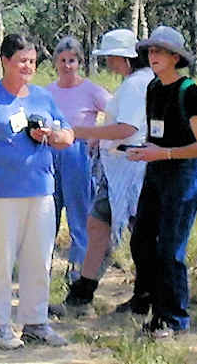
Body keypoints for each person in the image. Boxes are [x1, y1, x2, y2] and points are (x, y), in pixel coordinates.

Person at [0, 34, 73, 349]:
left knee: (38, 260)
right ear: (5, 61)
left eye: (32, 61)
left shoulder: (42, 97)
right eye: (22, 60)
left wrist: (54, 135)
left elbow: (67, 135)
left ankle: (35, 322)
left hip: (40, 192)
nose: (28, 67)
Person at [126, 26, 197, 338]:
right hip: (156, 174)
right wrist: (144, 152)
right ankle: (155, 311)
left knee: (171, 251)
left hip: (182, 177)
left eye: (160, 52)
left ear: (176, 57)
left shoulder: (190, 92)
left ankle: (174, 320)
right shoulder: (153, 88)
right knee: (141, 241)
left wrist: (163, 154)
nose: (153, 57)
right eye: (150, 51)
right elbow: (156, 134)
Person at [57, 29, 155, 311]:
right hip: (119, 170)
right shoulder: (134, 83)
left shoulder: (137, 85)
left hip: (130, 171)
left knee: (136, 235)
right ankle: (83, 294)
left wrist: (82, 131)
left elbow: (128, 128)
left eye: (109, 56)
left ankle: (143, 297)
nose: (107, 62)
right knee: (98, 225)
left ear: (121, 57)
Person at [44, 36, 111, 284]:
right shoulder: (47, 92)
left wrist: (98, 137)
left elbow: (115, 112)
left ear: (79, 62)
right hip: (50, 156)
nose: (67, 65)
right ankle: (41, 272)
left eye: (72, 60)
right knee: (47, 213)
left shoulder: (91, 89)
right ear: (55, 63)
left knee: (80, 214)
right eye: (62, 60)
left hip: (79, 156)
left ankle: (78, 274)